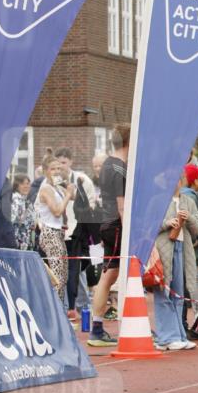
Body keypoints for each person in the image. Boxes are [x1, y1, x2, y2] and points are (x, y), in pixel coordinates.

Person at [88, 124, 130, 348]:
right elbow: (122, 206)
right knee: (109, 276)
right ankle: (96, 329)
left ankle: (99, 326)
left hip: (109, 224)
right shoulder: (118, 168)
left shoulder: (110, 165)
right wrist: (129, 231)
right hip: (115, 225)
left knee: (111, 276)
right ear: (128, 142)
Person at [151, 172, 198, 351]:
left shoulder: (188, 201)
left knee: (178, 294)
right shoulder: (157, 200)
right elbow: (148, 226)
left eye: (177, 179)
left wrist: (188, 219)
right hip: (163, 250)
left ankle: (178, 334)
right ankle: (166, 337)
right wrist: (167, 223)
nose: (174, 183)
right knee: (163, 292)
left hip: (182, 249)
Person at [54, 147, 97, 321]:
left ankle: (83, 306)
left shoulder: (82, 180)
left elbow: (91, 203)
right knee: (62, 270)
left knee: (78, 270)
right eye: (58, 163)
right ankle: (67, 307)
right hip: (59, 231)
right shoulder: (51, 181)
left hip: (77, 230)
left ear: (71, 162)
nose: (61, 167)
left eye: (64, 163)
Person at [35, 155, 76, 308]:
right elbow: (57, 211)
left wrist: (69, 188)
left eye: (59, 168)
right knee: (58, 278)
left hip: (58, 233)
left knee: (63, 277)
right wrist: (67, 195)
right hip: (49, 234)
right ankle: (55, 313)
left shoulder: (57, 187)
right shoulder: (46, 188)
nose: (57, 171)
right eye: (53, 169)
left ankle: (60, 311)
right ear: (46, 171)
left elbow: (75, 198)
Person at [180, 163, 198, 338]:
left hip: (186, 248)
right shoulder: (194, 197)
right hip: (194, 250)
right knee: (193, 287)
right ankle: (196, 323)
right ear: (193, 181)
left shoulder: (184, 196)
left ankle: (186, 323)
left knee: (186, 286)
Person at [11, 173, 37, 251]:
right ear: (16, 185)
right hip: (17, 240)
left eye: (28, 183)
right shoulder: (14, 199)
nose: (26, 186)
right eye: (22, 184)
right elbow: (15, 220)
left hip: (27, 240)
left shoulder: (27, 200)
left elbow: (33, 221)